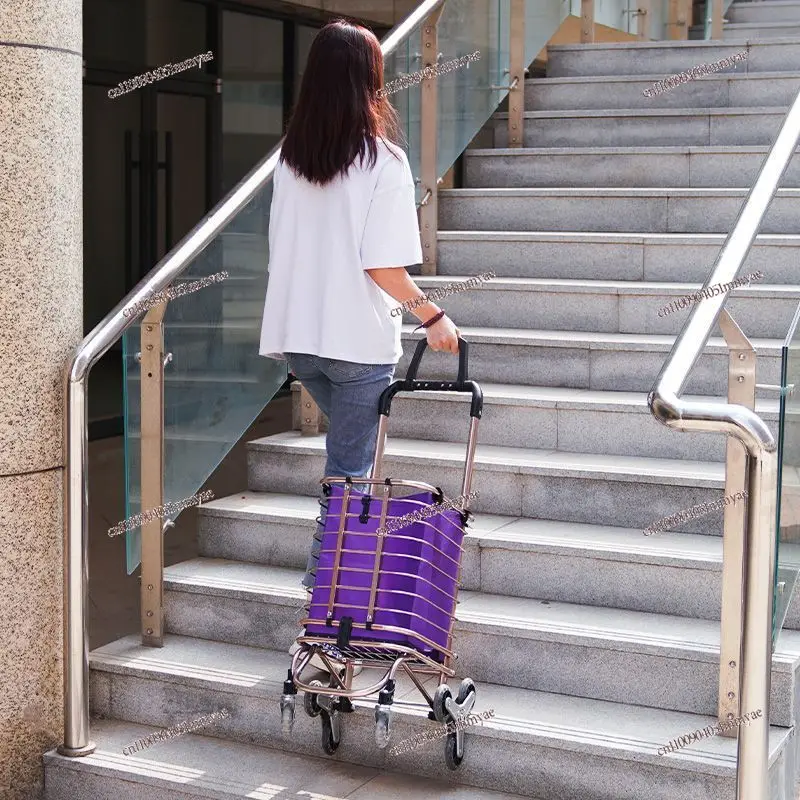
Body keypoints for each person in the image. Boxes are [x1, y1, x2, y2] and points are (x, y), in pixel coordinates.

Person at [258, 20, 460, 667]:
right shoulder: (382, 161)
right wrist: (433, 316)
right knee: (348, 483)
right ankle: (320, 626)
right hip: (354, 344)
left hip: (299, 341)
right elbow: (383, 266)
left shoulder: (291, 156)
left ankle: (333, 613)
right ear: (370, 83)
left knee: (347, 476)